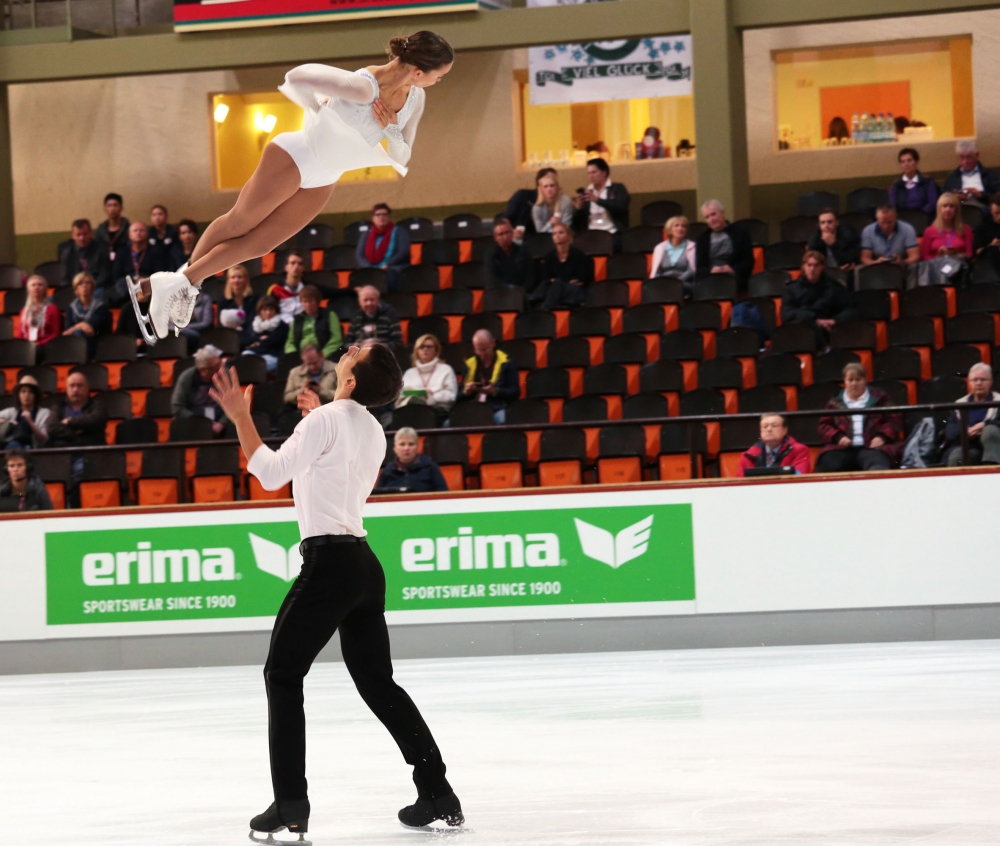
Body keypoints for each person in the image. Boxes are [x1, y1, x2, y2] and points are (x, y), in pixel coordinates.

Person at [208, 344, 463, 837]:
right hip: (364, 567)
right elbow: (326, 463)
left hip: (329, 564)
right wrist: (315, 417)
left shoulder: (325, 421)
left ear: (348, 380)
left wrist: (241, 417)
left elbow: (270, 474)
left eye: (355, 351)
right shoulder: (372, 429)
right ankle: (437, 790)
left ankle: (290, 804)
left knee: (282, 674)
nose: (347, 349)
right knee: (379, 684)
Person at [130, 31, 454, 348]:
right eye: (439, 76)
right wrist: (316, 110)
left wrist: (391, 129)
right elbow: (296, 76)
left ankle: (169, 284)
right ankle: (182, 284)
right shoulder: (361, 85)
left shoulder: (417, 97)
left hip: (325, 175)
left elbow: (403, 155)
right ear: (417, 70)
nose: (439, 82)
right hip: (296, 155)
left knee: (259, 244)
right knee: (239, 223)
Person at [815, 362, 903, 472]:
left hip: (873, 448)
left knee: (878, 464)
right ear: (844, 382)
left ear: (865, 380)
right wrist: (838, 437)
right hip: (842, 449)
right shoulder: (835, 402)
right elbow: (824, 425)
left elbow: (894, 419)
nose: (854, 384)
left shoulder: (880, 397)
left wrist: (882, 437)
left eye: (858, 379)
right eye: (850, 380)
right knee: (828, 464)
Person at [47, 370, 107, 505]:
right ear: (66, 389)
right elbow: (51, 428)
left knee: (79, 472)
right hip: (61, 457)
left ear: (87, 388)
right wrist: (76, 431)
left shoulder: (97, 405)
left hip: (89, 457)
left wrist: (69, 422)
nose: (76, 389)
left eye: (80, 386)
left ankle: (74, 510)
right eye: (72, 386)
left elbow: (96, 420)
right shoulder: (59, 407)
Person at [781, 251, 859, 347]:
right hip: (802, 334)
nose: (812, 269)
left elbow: (851, 310)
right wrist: (815, 320)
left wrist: (834, 321)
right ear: (803, 267)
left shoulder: (834, 287)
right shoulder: (791, 289)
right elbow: (787, 314)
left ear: (822, 267)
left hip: (830, 331)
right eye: (809, 265)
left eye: (816, 265)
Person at [942, 363, 1000, 466]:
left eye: (983, 380)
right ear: (969, 382)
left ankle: (992, 472)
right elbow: (950, 433)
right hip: (970, 448)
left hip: (995, 448)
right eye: (975, 380)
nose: (979, 383)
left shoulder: (998, 400)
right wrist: (966, 432)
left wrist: (985, 425)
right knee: (956, 457)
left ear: (990, 382)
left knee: (990, 430)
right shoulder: (960, 404)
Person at [111, 220, 173, 310]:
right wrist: (133, 282)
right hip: (127, 287)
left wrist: (143, 281)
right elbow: (116, 276)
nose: (138, 233)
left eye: (141, 230)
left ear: (147, 234)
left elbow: (160, 274)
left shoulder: (157, 251)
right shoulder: (122, 253)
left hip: (149, 285)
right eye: (135, 231)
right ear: (129, 235)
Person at [570, 158, 630, 252]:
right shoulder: (588, 192)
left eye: (594, 172)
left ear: (604, 172)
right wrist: (578, 208)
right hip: (591, 233)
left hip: (612, 232)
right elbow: (576, 223)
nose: (591, 176)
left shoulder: (617, 188)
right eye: (589, 173)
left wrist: (598, 200)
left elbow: (621, 208)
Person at [459, 329, 518, 424]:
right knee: (448, 423)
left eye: (485, 349)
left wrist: (494, 391)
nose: (482, 354)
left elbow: (515, 392)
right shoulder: (469, 364)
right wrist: (467, 391)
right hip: (474, 408)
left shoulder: (507, 363)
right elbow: (457, 397)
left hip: (496, 408)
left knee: (503, 419)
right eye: (478, 350)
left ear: (493, 343)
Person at [397, 333, 457, 424]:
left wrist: (431, 396)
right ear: (417, 350)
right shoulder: (409, 373)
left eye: (429, 347)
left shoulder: (446, 370)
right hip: (411, 412)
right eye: (422, 347)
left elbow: (451, 395)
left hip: (438, 413)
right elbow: (401, 394)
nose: (425, 349)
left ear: (436, 350)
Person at [694, 199, 755, 289]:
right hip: (710, 277)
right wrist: (711, 270)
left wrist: (732, 269)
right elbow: (700, 268)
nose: (711, 219)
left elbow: (748, 261)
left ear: (722, 213)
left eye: (713, 214)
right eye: (707, 217)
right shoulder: (702, 239)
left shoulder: (740, 233)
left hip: (735, 277)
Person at [171, 345, 230, 436]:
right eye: (216, 366)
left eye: (220, 363)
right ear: (203, 370)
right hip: (193, 425)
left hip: (223, 425)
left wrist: (222, 423)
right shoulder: (187, 377)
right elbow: (177, 407)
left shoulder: (226, 374)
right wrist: (200, 423)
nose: (221, 367)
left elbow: (235, 404)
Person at [354, 203, 411, 292]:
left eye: (384, 214)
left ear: (389, 217)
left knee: (387, 277)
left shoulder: (399, 231)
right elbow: (359, 256)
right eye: (378, 215)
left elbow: (403, 252)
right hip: (371, 269)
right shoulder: (366, 234)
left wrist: (387, 265)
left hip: (392, 268)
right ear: (373, 218)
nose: (381, 217)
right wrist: (370, 268)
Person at [536, 222, 593, 309]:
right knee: (553, 286)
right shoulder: (549, 257)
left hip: (574, 291)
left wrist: (557, 281)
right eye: (554, 233)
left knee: (556, 285)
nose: (557, 235)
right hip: (555, 291)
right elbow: (546, 279)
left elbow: (581, 279)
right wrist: (565, 281)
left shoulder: (579, 255)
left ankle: (545, 308)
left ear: (569, 236)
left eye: (561, 232)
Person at [375, 427, 449, 492]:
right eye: (402, 444)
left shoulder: (430, 467)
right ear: (395, 447)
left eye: (411, 444)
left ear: (418, 447)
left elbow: (443, 495)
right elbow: (378, 497)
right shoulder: (387, 471)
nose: (406, 448)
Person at [736, 413, 811, 476]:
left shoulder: (799, 450)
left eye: (774, 426)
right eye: (765, 426)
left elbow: (800, 478)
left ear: (784, 430)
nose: (769, 429)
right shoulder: (748, 455)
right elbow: (739, 483)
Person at [860, 205, 920, 279]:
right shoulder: (868, 231)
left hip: (901, 266)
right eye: (882, 222)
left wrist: (902, 262)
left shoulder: (907, 229)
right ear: (877, 219)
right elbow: (865, 258)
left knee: (914, 267)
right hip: (877, 266)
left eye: (890, 222)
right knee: (859, 269)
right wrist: (876, 263)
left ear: (895, 218)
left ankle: (912, 290)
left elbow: (915, 256)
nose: (886, 226)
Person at [285, 285, 343, 358]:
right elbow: (290, 342)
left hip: (325, 356)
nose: (308, 305)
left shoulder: (330, 315)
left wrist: (322, 355)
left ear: (317, 301)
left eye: (311, 301)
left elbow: (336, 339)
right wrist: (295, 356)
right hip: (301, 358)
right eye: (305, 301)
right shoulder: (297, 319)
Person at [942, 140, 1000, 209]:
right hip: (959, 212)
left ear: (977, 155)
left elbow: (997, 197)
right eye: (962, 157)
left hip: (985, 211)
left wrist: (981, 195)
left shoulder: (989, 175)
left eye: (969, 157)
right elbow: (943, 199)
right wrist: (955, 198)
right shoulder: (952, 178)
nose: (965, 161)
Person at [62, 271, 109, 359]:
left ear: (92, 287)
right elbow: (66, 332)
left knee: (78, 332)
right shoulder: (70, 308)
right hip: (74, 343)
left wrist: (76, 327)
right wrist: (81, 326)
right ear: (76, 288)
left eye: (88, 283)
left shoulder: (101, 307)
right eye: (80, 283)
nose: (84, 286)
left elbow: (90, 329)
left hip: (96, 342)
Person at [888, 147, 939, 220]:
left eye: (909, 160)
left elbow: (933, 203)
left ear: (916, 162)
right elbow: (892, 206)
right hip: (903, 220)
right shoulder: (896, 185)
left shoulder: (928, 182)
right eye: (903, 162)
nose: (906, 164)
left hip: (925, 218)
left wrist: (919, 215)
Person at [504, 167, 556, 239]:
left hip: (544, 239)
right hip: (520, 238)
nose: (550, 182)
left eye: (554, 181)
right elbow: (505, 218)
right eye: (548, 179)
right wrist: (511, 231)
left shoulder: (558, 201)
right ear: (539, 182)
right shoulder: (523, 195)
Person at [0, 375, 50, 449]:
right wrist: (9, 422)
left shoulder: (44, 413)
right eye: (23, 391)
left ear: (36, 395)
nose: (26, 395)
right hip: (12, 448)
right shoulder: (12, 411)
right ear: (18, 395)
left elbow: (42, 439)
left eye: (31, 392)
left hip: (33, 450)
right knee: (13, 445)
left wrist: (30, 422)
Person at [920, 192, 974, 261]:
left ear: (956, 209)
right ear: (939, 209)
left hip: (959, 267)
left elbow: (969, 255)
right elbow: (924, 257)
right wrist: (938, 257)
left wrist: (956, 255)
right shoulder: (929, 231)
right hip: (935, 268)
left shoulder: (966, 229)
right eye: (944, 206)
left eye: (951, 206)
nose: (948, 209)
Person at [485, 217, 535, 290]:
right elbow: (492, 280)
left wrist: (520, 291)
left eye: (507, 232)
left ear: (512, 233)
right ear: (495, 238)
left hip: (522, 293)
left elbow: (531, 278)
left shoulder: (523, 252)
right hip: (500, 294)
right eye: (501, 234)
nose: (505, 237)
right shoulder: (491, 255)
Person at [650, 215, 696, 294]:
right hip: (663, 283)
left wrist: (676, 282)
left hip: (684, 282)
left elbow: (691, 270)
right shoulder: (660, 248)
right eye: (676, 226)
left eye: (683, 226)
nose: (680, 228)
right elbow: (657, 271)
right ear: (669, 229)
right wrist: (663, 282)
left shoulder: (692, 246)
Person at [60, 219, 111, 290]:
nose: (82, 238)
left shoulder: (102, 250)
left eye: (85, 234)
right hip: (75, 289)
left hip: (97, 287)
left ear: (91, 234)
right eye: (78, 235)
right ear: (73, 236)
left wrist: (89, 287)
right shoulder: (67, 253)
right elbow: (65, 279)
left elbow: (104, 275)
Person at [242, 296, 288, 373]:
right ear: (259, 311)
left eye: (271, 309)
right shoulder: (254, 324)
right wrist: (259, 339)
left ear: (276, 311)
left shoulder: (282, 326)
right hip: (254, 353)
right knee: (244, 356)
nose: (268, 312)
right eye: (265, 309)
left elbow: (274, 341)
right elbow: (243, 340)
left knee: (258, 365)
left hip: (272, 355)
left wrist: (257, 343)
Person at [17, 274, 61, 356]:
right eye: (33, 285)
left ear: (45, 289)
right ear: (28, 290)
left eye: (40, 285)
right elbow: (20, 334)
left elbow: (55, 334)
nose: (36, 287)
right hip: (27, 346)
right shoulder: (24, 311)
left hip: (45, 346)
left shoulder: (52, 309)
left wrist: (39, 343)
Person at [284, 343, 338, 407]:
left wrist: (321, 391)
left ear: (322, 356)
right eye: (309, 364)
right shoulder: (294, 373)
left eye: (315, 363)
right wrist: (302, 390)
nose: (312, 367)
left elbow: (344, 396)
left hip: (330, 408)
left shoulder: (337, 370)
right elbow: (287, 397)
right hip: (302, 410)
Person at [219, 264, 259, 344]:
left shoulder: (254, 299)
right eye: (233, 277)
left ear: (246, 279)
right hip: (229, 338)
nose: (236, 280)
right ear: (228, 280)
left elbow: (252, 322)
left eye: (240, 277)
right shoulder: (223, 301)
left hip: (249, 336)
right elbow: (220, 325)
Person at [170, 287, 215, 353]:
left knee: (181, 333)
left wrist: (188, 327)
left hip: (197, 331)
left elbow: (206, 322)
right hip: (178, 328)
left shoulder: (205, 299)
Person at [94, 193, 129, 262]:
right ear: (105, 209)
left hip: (124, 262)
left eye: (115, 205)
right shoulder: (100, 230)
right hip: (105, 263)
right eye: (109, 206)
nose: (112, 209)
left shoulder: (129, 228)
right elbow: (96, 250)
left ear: (121, 208)